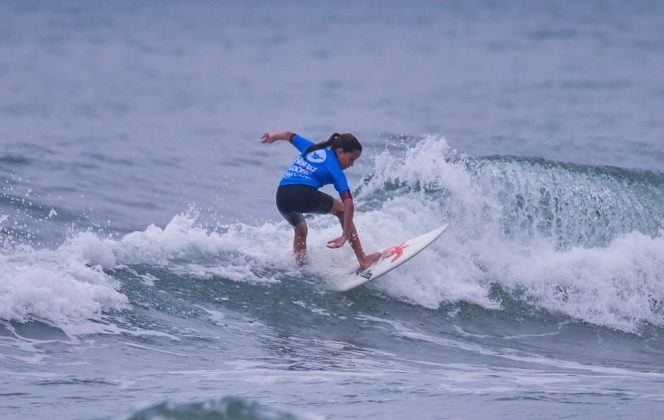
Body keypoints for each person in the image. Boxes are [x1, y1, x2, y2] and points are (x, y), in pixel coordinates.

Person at [260, 130, 381, 269]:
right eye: (352, 159)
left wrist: (273, 137)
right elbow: (349, 206)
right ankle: (363, 258)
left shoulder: (312, 148)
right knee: (341, 209)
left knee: (301, 230)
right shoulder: (336, 171)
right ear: (340, 152)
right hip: (302, 193)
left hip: (282, 196)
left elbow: (289, 135)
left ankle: (301, 267)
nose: (352, 165)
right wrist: (344, 235)